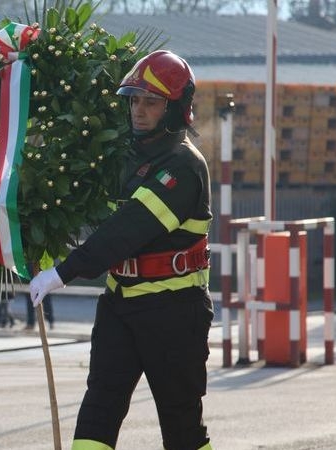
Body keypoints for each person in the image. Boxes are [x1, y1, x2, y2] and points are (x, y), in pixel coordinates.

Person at [30, 50, 213, 450]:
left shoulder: (183, 166)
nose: (139, 111)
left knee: (182, 426)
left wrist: (64, 272)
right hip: (120, 303)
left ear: (175, 107)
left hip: (173, 311)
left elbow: (124, 232)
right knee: (99, 409)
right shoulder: (120, 157)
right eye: (134, 100)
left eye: (151, 102)